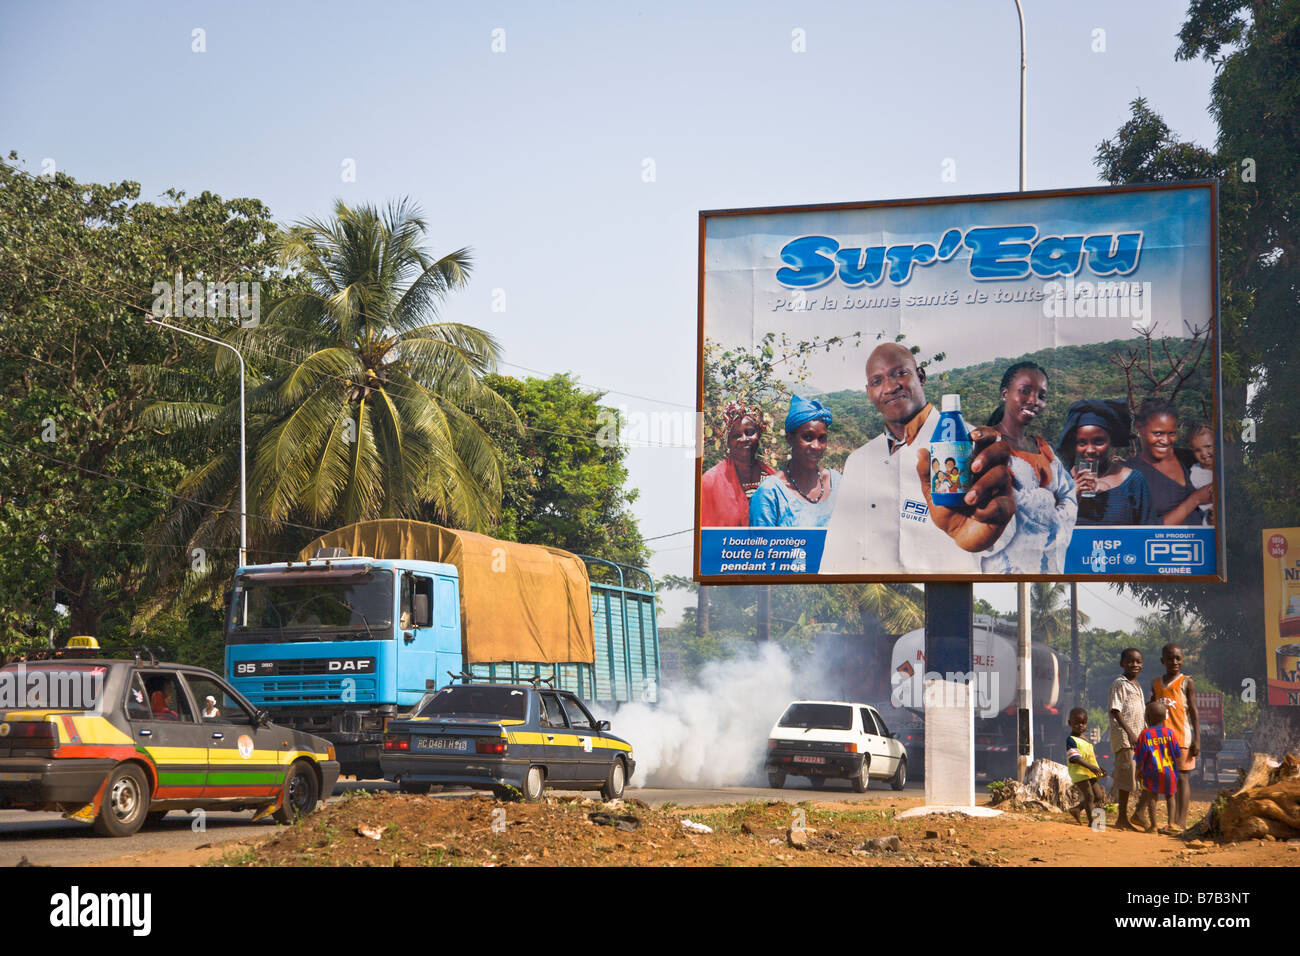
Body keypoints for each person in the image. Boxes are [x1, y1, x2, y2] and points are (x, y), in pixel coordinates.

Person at [820, 343, 1017, 573]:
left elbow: (1005, 535)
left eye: (900, 373)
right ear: (869, 392)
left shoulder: (973, 449)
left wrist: (989, 528)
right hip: (866, 603)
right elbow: (836, 550)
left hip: (944, 600)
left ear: (920, 376)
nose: (890, 387)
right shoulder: (857, 460)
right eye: (877, 381)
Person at [980, 362, 1077, 574]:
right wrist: (1047, 499)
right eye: (1025, 391)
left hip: (1045, 564)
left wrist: (1041, 508)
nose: (1034, 401)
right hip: (1001, 568)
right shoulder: (984, 443)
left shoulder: (1044, 449)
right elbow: (993, 503)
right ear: (1005, 393)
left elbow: (1069, 498)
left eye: (1041, 396)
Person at [1056, 399, 1157, 526]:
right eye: (1082, 443)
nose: (1090, 450)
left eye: (1098, 442)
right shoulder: (1062, 481)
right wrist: (1070, 499)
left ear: (1111, 442)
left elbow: (1148, 531)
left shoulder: (1133, 481)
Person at [749, 396, 840, 527]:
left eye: (822, 438)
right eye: (807, 437)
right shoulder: (770, 494)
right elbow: (761, 545)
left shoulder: (837, 483)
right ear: (790, 439)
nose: (816, 446)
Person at [1128, 399, 1212, 526]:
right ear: (1140, 428)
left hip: (1205, 543)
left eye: (1171, 433)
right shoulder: (1130, 474)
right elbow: (1140, 533)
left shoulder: (1192, 458)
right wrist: (1195, 500)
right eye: (1158, 433)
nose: (1165, 441)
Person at [700, 401, 776, 526]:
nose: (744, 439)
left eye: (750, 432)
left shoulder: (771, 478)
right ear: (728, 442)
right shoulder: (710, 482)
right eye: (736, 435)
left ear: (759, 435)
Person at [1151, 643, 1199, 829]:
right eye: (1170, 658)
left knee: (1182, 778)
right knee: (1164, 779)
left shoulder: (1187, 682)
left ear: (1183, 660)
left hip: (1181, 738)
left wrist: (1197, 738)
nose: (1174, 662)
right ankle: (1170, 821)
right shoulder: (1155, 683)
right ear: (1163, 661)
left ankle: (1181, 821)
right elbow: (1151, 710)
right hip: (1159, 740)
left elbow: (1194, 711)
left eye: (1178, 658)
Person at [1108, 648, 1146, 830]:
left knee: (1136, 778)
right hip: (1125, 738)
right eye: (1130, 661)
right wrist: (1130, 733)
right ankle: (1121, 818)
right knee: (1126, 777)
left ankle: (1136, 814)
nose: (1135, 665)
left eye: (1138, 662)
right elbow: (1116, 710)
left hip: (1138, 739)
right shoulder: (1120, 683)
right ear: (1122, 663)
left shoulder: (1137, 686)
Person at [1133, 700, 1182, 834]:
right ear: (1165, 717)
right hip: (1170, 771)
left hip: (1152, 772)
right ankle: (1171, 823)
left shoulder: (1145, 734)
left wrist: (1138, 770)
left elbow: (1140, 755)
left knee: (1152, 797)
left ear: (1147, 717)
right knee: (1170, 796)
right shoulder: (1170, 733)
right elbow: (1177, 753)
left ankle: (1154, 826)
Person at [1065, 708, 1107, 826]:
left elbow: (1090, 756)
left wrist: (1098, 768)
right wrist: (1091, 767)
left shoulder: (1085, 739)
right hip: (1079, 772)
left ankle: (1077, 809)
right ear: (1070, 723)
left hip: (1089, 772)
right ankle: (1092, 822)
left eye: (1083, 723)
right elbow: (1075, 758)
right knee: (1089, 796)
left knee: (1098, 796)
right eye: (1077, 723)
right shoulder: (1071, 740)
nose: (1080, 726)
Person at [1187, 421, 1215, 526]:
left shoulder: (1226, 468)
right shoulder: (1195, 475)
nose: (1203, 454)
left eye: (1208, 446)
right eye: (1197, 450)